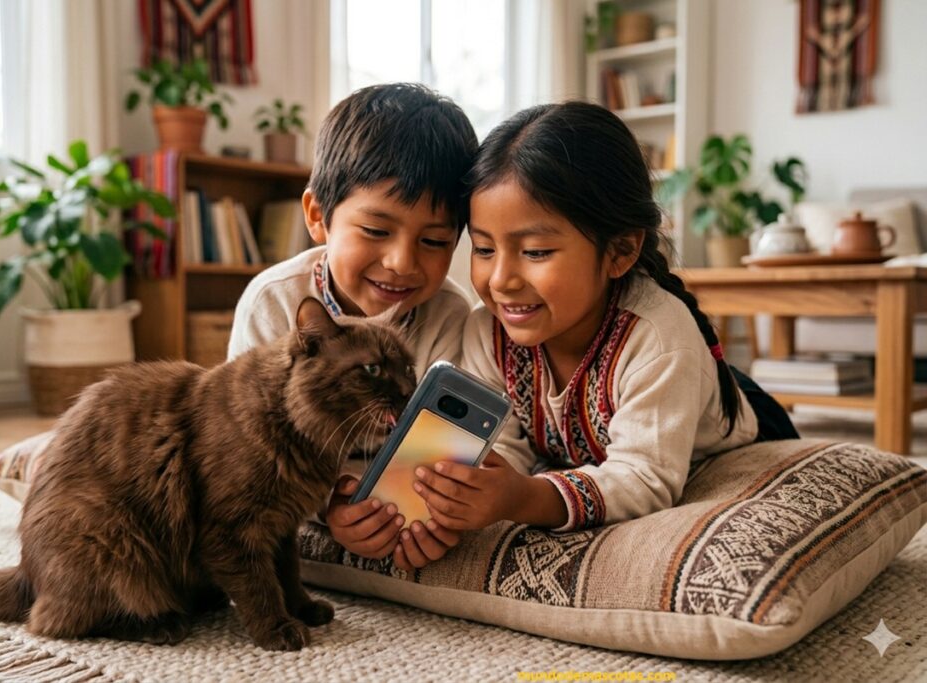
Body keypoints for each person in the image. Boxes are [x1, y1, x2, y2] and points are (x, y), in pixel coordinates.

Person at [410, 101, 798, 539]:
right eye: (483, 249)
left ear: (619, 252)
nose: (501, 280)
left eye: (535, 251)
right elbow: (501, 446)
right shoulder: (487, 331)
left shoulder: (657, 338)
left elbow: (644, 479)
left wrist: (525, 497)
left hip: (729, 421)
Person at [227, 83, 478, 567]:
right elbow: (246, 452)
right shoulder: (272, 303)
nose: (402, 262)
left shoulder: (449, 314)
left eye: (434, 241)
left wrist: (424, 510)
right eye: (377, 231)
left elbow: (439, 448)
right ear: (318, 217)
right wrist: (330, 509)